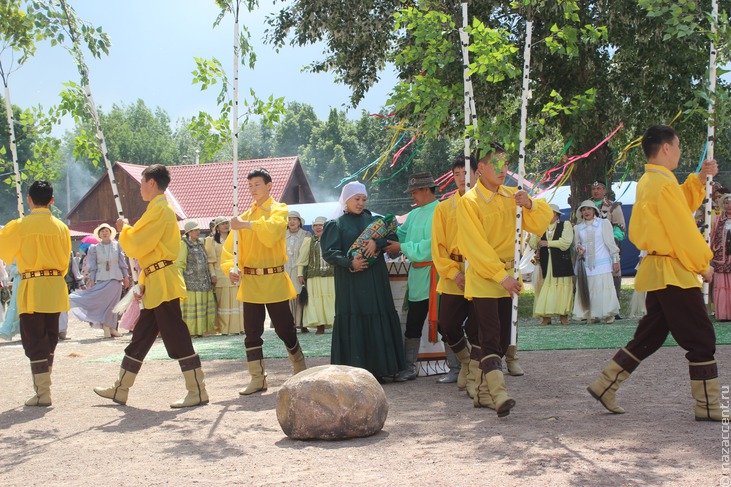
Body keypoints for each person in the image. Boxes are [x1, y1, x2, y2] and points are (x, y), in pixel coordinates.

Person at [587, 125, 721, 422]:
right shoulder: (661, 183)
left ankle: (605, 383)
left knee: (650, 335)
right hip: (672, 270)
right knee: (701, 338)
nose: (680, 152)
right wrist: (703, 263)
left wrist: (699, 180)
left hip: (660, 270)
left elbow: (677, 208)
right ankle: (709, 406)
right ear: (666, 148)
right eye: (679, 146)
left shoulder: (651, 181)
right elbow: (682, 229)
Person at [94, 164, 209, 408]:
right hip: (156, 281)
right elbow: (147, 249)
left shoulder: (160, 209)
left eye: (142, 183)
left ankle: (197, 389)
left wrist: (124, 230)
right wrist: (143, 281)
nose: (140, 189)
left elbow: (137, 244)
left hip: (163, 282)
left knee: (176, 335)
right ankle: (121, 388)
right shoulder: (157, 209)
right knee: (141, 337)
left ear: (152, 183)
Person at [457, 146, 552, 416]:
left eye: (505, 163)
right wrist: (501, 277)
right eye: (495, 164)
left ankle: (484, 393)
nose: (502, 169)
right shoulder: (470, 202)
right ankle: (499, 394)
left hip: (509, 276)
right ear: (480, 170)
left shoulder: (512, 196)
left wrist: (530, 203)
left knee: (502, 341)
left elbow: (540, 222)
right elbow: (475, 248)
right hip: (486, 277)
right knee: (489, 335)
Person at [222, 167, 306, 396]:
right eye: (249, 186)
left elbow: (271, 234)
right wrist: (231, 268)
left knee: (285, 329)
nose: (253, 189)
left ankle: (300, 368)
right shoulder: (244, 216)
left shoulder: (279, 210)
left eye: (257, 184)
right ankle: (257, 378)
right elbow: (229, 252)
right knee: (252, 332)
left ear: (269, 186)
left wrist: (246, 225)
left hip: (274, 279)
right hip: (250, 282)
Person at [321, 181, 405, 381]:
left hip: (375, 279)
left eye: (363, 199)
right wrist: (350, 263)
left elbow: (392, 239)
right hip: (351, 281)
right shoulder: (336, 224)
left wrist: (378, 241)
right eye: (356, 199)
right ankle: (353, 371)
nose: (360, 203)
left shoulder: (376, 221)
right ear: (346, 200)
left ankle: (382, 369)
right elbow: (329, 252)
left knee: (377, 315)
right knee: (355, 316)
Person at [0, 180, 71, 406]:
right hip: (55, 287)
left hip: (32, 288)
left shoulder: (20, 225)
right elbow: (66, 262)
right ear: (51, 201)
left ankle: (43, 393)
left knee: (34, 340)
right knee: (50, 338)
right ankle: (43, 389)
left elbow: (5, 252)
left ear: (29, 199)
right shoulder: (62, 227)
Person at [383, 172, 439, 382]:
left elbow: (432, 246)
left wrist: (402, 247)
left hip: (437, 275)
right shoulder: (414, 214)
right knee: (414, 322)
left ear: (426, 190)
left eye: (415, 192)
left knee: (444, 324)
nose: (412, 196)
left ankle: (456, 367)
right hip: (417, 275)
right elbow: (401, 234)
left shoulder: (440, 211)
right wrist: (384, 231)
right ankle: (409, 367)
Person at [431, 158, 481, 391]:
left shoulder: (484, 204)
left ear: (477, 174)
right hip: (454, 272)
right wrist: (453, 272)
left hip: (480, 271)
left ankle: (476, 373)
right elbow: (438, 246)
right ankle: (465, 362)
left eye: (466, 172)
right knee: (448, 324)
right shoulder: (443, 208)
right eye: (457, 173)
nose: (462, 178)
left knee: (476, 326)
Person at [68, 223, 130, 338]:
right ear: (99, 235)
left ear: (110, 233)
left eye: (106, 231)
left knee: (114, 303)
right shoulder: (94, 248)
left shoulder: (117, 246)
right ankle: (106, 326)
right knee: (104, 303)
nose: (105, 233)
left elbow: (122, 263)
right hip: (102, 278)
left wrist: (126, 277)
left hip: (116, 278)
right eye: (102, 231)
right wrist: (92, 279)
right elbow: (93, 266)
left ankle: (111, 327)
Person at [579, 181, 626, 318]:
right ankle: (590, 310)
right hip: (589, 248)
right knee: (589, 280)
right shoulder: (586, 206)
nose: (596, 191)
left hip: (609, 245)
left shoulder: (613, 206)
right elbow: (579, 225)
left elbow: (620, 226)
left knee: (613, 276)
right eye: (593, 188)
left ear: (605, 190)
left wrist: (612, 239)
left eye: (599, 188)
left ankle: (612, 310)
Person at [572, 200, 621, 324]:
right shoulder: (578, 228)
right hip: (586, 264)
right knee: (588, 288)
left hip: (603, 263)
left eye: (589, 209)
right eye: (584, 209)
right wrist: (579, 248)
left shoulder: (603, 224)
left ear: (594, 210)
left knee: (604, 288)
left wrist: (615, 261)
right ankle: (592, 314)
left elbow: (611, 244)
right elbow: (576, 244)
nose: (586, 212)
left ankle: (608, 313)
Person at [528, 204, 574, 325]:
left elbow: (566, 243)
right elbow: (533, 244)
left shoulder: (565, 225)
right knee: (544, 288)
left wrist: (548, 243)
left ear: (557, 215)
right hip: (545, 262)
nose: (549, 215)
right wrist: (537, 233)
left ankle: (563, 315)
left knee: (562, 287)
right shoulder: (541, 227)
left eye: (552, 213)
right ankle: (546, 316)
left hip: (561, 262)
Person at [176, 220, 216, 337]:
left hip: (204, 281)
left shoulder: (201, 243)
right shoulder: (183, 244)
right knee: (192, 308)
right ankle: (191, 331)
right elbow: (180, 263)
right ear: (189, 232)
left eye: (198, 230)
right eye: (195, 230)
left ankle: (203, 330)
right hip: (190, 282)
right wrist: (181, 281)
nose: (198, 232)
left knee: (203, 306)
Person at [296, 216, 335, 334]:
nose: (318, 227)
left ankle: (334, 322)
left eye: (321, 225)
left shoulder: (333, 240)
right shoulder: (309, 241)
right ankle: (320, 325)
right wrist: (299, 274)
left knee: (332, 298)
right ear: (313, 228)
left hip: (331, 275)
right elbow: (302, 259)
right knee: (315, 301)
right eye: (316, 225)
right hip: (314, 277)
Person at [205, 216, 244, 335]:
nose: (225, 226)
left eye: (227, 223)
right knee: (223, 303)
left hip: (236, 272)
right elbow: (210, 261)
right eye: (222, 224)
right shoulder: (210, 240)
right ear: (217, 227)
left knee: (237, 301)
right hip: (220, 274)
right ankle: (224, 329)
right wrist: (212, 275)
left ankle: (239, 328)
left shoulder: (235, 237)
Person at [284, 210, 311, 333]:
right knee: (287, 296)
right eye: (289, 219)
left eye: (295, 219)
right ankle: (288, 324)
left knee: (300, 294)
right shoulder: (282, 235)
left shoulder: (306, 235)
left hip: (299, 270)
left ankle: (302, 323)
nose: (292, 221)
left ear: (299, 222)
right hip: (285, 269)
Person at [711, 193, 731, 321]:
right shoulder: (717, 219)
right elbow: (712, 237)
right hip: (720, 256)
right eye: (727, 203)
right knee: (721, 284)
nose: (729, 206)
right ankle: (723, 314)